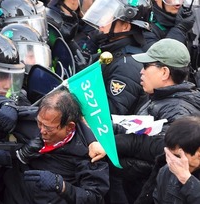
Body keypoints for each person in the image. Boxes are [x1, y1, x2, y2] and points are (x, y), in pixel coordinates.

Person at [114, 38, 200, 203]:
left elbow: (166, 150)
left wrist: (115, 148)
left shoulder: (178, 109)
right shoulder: (159, 97)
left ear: (165, 72)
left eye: (146, 66)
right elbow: (140, 127)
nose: (141, 71)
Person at [3, 86, 109, 203]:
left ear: (69, 127)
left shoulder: (89, 153)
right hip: (13, 195)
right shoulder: (37, 119)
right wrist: (7, 106)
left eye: (49, 128)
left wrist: (61, 186)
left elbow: (94, 197)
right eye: (39, 123)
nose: (42, 131)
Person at [82, 0, 151, 115]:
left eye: (107, 17)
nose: (101, 24)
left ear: (125, 26)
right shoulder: (113, 52)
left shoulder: (127, 65)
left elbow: (111, 113)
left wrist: (87, 80)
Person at [152, 115, 200, 204]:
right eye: (169, 154)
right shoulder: (166, 171)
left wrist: (187, 180)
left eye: (178, 156)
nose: (171, 161)